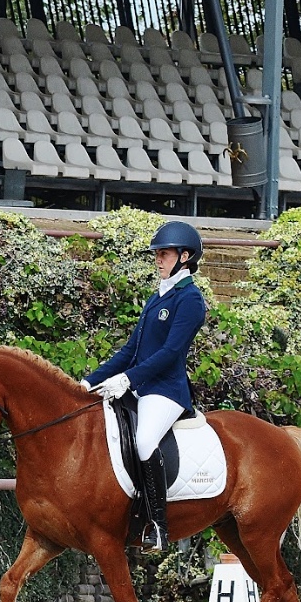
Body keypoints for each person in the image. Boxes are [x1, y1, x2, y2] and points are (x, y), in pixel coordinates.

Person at [80, 220, 208, 552]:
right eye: (158, 254)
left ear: (184, 256)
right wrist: (88, 382)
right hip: (140, 386)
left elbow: (171, 353)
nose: (158, 259)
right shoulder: (157, 297)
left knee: (145, 439)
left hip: (166, 390)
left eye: (164, 254)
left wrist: (128, 379)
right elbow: (130, 351)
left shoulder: (190, 299)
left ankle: (158, 526)